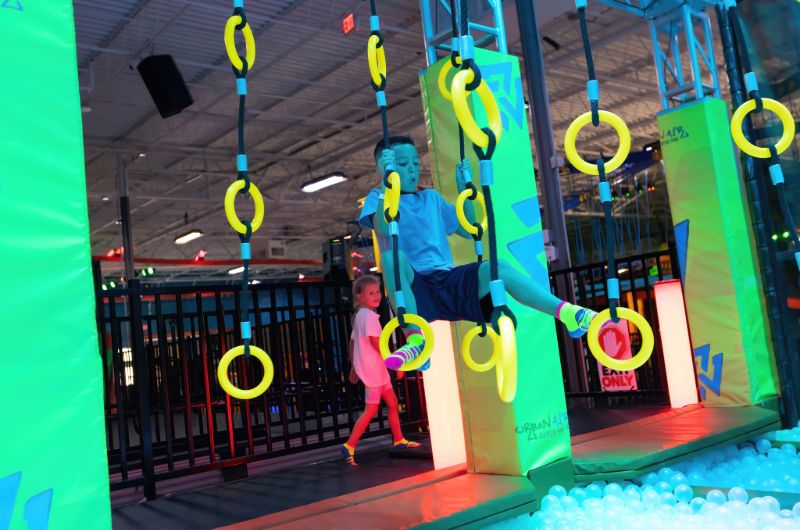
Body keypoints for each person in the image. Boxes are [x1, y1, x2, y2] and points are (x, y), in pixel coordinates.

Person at [358, 136, 598, 367]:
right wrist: (386, 182)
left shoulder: (431, 198)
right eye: (401, 164)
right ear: (383, 167)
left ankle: (567, 313)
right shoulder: (377, 198)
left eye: (415, 163)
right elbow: (383, 226)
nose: (411, 169)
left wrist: (466, 190)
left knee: (498, 266)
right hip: (415, 289)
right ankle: (416, 340)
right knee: (391, 257)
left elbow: (470, 228)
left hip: (447, 281)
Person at [340, 274, 420, 466]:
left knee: (392, 402)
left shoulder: (360, 316)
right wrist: (396, 362)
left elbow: (352, 342)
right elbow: (376, 342)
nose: (376, 296)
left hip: (374, 369)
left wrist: (353, 367)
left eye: (377, 292)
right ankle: (349, 445)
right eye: (371, 293)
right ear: (360, 296)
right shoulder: (368, 317)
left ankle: (399, 439)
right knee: (371, 409)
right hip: (374, 370)